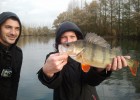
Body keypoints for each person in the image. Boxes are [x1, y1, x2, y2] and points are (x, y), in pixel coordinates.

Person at [38, 21, 128, 100]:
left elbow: (92, 81)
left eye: (72, 36)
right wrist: (47, 72)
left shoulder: (85, 55)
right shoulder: (52, 58)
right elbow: (53, 85)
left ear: (77, 39)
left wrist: (99, 70)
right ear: (58, 40)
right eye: (63, 37)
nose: (68, 40)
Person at [0, 12, 22, 100]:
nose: (13, 33)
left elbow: (14, 84)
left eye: (17, 28)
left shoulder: (18, 53)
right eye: (8, 27)